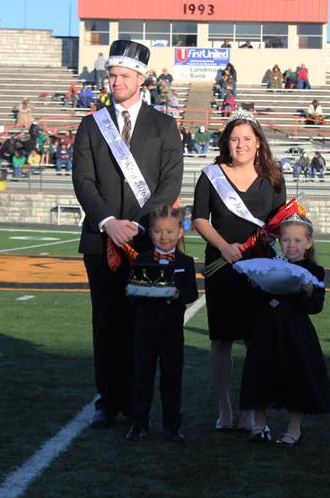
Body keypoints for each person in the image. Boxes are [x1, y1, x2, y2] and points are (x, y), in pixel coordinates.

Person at [72, 39, 183, 429]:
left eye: (122, 75)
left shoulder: (165, 125)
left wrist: (137, 223)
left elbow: (170, 182)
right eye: (111, 75)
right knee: (106, 323)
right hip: (100, 239)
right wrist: (108, 221)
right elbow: (83, 181)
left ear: (141, 78)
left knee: (143, 325)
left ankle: (139, 405)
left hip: (148, 241)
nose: (115, 81)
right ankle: (109, 400)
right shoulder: (91, 124)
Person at [192, 109, 286, 432]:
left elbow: (279, 223)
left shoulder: (273, 177)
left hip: (260, 270)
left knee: (256, 341)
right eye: (234, 138)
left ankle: (251, 410)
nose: (240, 144)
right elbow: (199, 219)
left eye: (247, 138)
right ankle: (225, 408)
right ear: (226, 142)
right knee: (221, 339)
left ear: (258, 143)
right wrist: (224, 246)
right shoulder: (210, 175)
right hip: (221, 267)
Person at [240, 213, 330, 446]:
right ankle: (259, 426)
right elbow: (253, 301)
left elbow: (315, 307)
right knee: (260, 374)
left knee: (296, 376)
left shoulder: (315, 271)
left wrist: (309, 291)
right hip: (265, 329)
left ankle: (294, 429)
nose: (291, 245)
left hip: (295, 332)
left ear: (309, 243)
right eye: (286, 240)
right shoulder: (269, 264)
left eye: (298, 240)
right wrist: (254, 284)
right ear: (279, 241)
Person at [125, 205, 198, 443]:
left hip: (171, 330)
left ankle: (172, 425)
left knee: (171, 376)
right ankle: (138, 424)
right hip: (144, 329)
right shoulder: (141, 259)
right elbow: (131, 293)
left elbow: (192, 294)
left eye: (169, 231)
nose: (163, 236)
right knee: (141, 376)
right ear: (150, 233)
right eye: (157, 231)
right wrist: (138, 290)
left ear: (180, 233)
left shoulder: (185, 262)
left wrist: (176, 294)